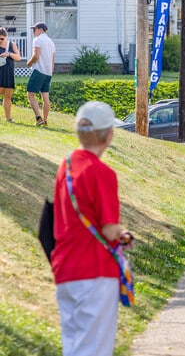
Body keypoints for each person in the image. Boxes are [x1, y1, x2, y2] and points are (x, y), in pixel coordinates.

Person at [51, 101, 133, 356]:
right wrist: (123, 234)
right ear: (109, 135)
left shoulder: (66, 165)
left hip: (66, 269)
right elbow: (109, 230)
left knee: (74, 346)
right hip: (95, 271)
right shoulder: (102, 172)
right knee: (94, 349)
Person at [26, 22, 56, 126]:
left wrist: (28, 63)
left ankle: (38, 118)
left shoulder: (38, 40)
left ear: (40, 29)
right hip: (48, 73)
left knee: (30, 95)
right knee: (45, 97)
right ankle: (45, 121)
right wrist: (50, 72)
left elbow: (36, 56)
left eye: (34, 29)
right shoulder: (51, 42)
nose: (33, 32)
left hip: (39, 71)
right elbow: (52, 61)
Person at [0, 27, 20, 122]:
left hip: (8, 74)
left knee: (8, 97)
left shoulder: (12, 45)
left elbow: (18, 58)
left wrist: (9, 54)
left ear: (6, 37)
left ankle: (8, 118)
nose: (0, 41)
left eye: (2, 39)